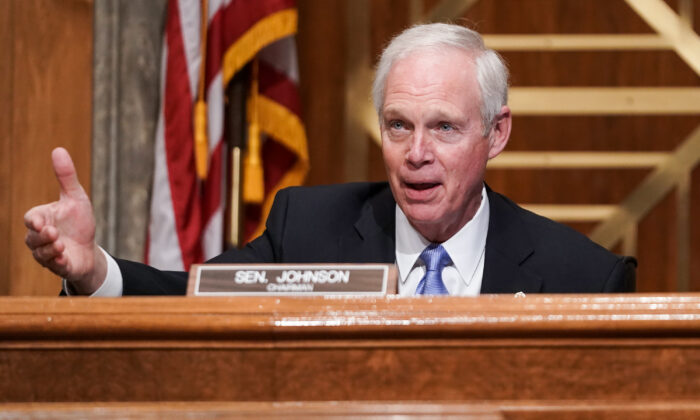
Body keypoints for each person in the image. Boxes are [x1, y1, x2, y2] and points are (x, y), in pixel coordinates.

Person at [24, 23, 636, 296]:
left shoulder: (581, 276)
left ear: (496, 133)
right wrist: (92, 270)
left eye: (444, 128)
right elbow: (197, 298)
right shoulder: (308, 228)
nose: (416, 154)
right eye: (398, 125)